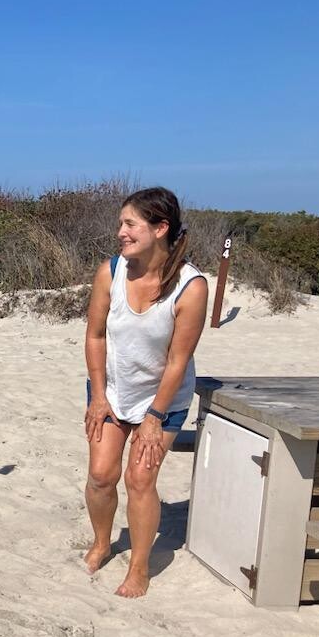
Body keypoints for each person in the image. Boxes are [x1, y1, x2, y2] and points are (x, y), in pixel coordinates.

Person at [83, 187, 208, 597]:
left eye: (130, 224)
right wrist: (99, 396)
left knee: (140, 478)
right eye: (121, 223)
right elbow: (95, 335)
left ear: (160, 228)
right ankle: (102, 543)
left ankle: (138, 568)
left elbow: (177, 360)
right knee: (102, 476)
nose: (120, 231)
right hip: (114, 387)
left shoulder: (191, 287)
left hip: (164, 398)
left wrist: (154, 418)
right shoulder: (111, 271)